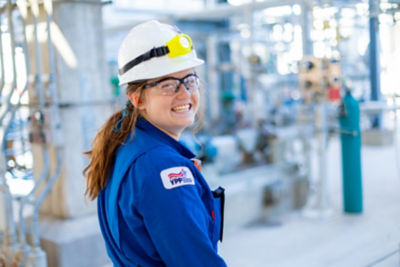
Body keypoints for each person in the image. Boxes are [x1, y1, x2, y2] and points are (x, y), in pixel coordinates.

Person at [83, 20, 227, 267]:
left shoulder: (126, 143)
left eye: (189, 80)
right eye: (168, 85)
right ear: (137, 98)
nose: (185, 94)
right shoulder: (161, 167)